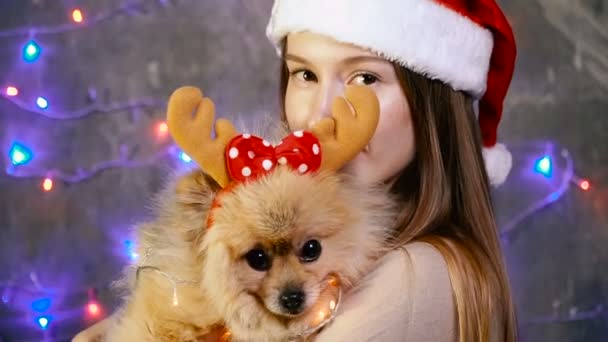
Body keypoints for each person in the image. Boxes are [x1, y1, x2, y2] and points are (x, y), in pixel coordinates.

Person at [75, 0, 518, 341]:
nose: (320, 113)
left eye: (365, 78)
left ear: (434, 103)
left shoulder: (415, 278)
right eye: (304, 75)